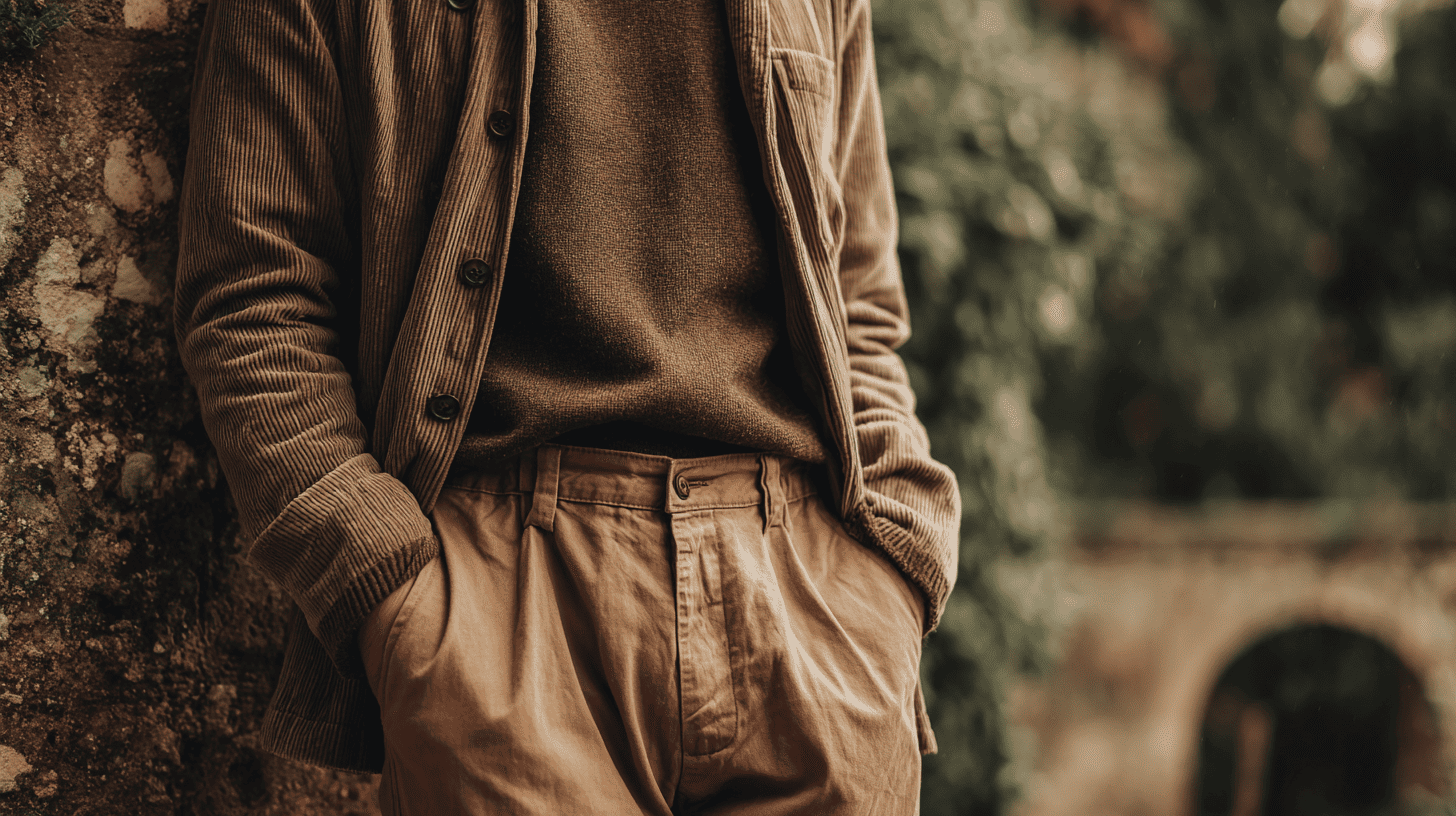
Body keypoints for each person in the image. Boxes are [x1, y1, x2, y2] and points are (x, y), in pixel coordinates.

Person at [174, 0, 960, 812]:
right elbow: (254, 297)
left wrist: (893, 563)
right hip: (499, 611)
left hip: (807, 589)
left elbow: (857, 296)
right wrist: (388, 591)